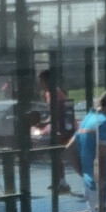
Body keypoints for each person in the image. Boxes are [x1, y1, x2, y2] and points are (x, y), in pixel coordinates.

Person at [37, 65, 76, 193]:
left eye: (41, 81)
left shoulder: (53, 93)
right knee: (55, 154)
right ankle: (60, 182)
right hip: (61, 128)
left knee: (57, 154)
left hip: (65, 128)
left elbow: (58, 112)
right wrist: (46, 122)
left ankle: (63, 184)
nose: (40, 84)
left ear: (46, 80)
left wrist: (45, 123)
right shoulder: (51, 92)